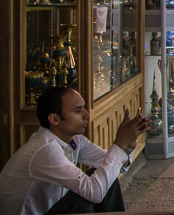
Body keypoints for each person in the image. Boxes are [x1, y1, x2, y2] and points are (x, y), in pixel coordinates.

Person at [0, 87, 148, 215]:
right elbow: (95, 193)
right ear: (55, 119)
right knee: (83, 201)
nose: (87, 115)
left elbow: (117, 167)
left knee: (105, 178)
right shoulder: (45, 150)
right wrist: (119, 143)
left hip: (55, 207)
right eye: (78, 110)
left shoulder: (74, 140)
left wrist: (128, 143)